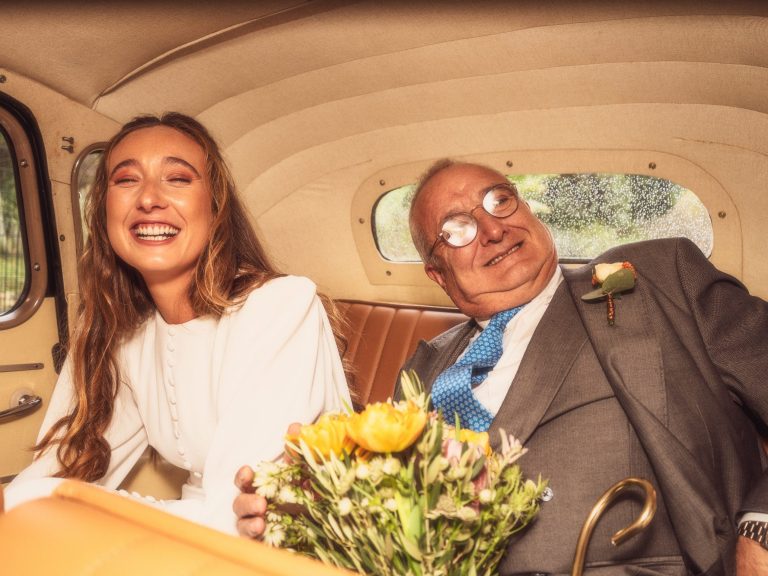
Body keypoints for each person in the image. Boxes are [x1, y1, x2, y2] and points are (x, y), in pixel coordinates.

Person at [235, 159, 768, 575]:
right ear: (439, 276)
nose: (491, 229)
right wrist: (306, 509)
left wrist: (761, 527)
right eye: (457, 228)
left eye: (501, 201)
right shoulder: (426, 365)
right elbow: (393, 513)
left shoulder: (658, 277)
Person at [5, 112, 350, 535]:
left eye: (178, 179)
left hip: (281, 544)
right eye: (126, 180)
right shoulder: (123, 332)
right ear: (103, 212)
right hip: (200, 527)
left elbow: (242, 512)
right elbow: (62, 468)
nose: (149, 198)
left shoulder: (282, 305)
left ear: (216, 206)